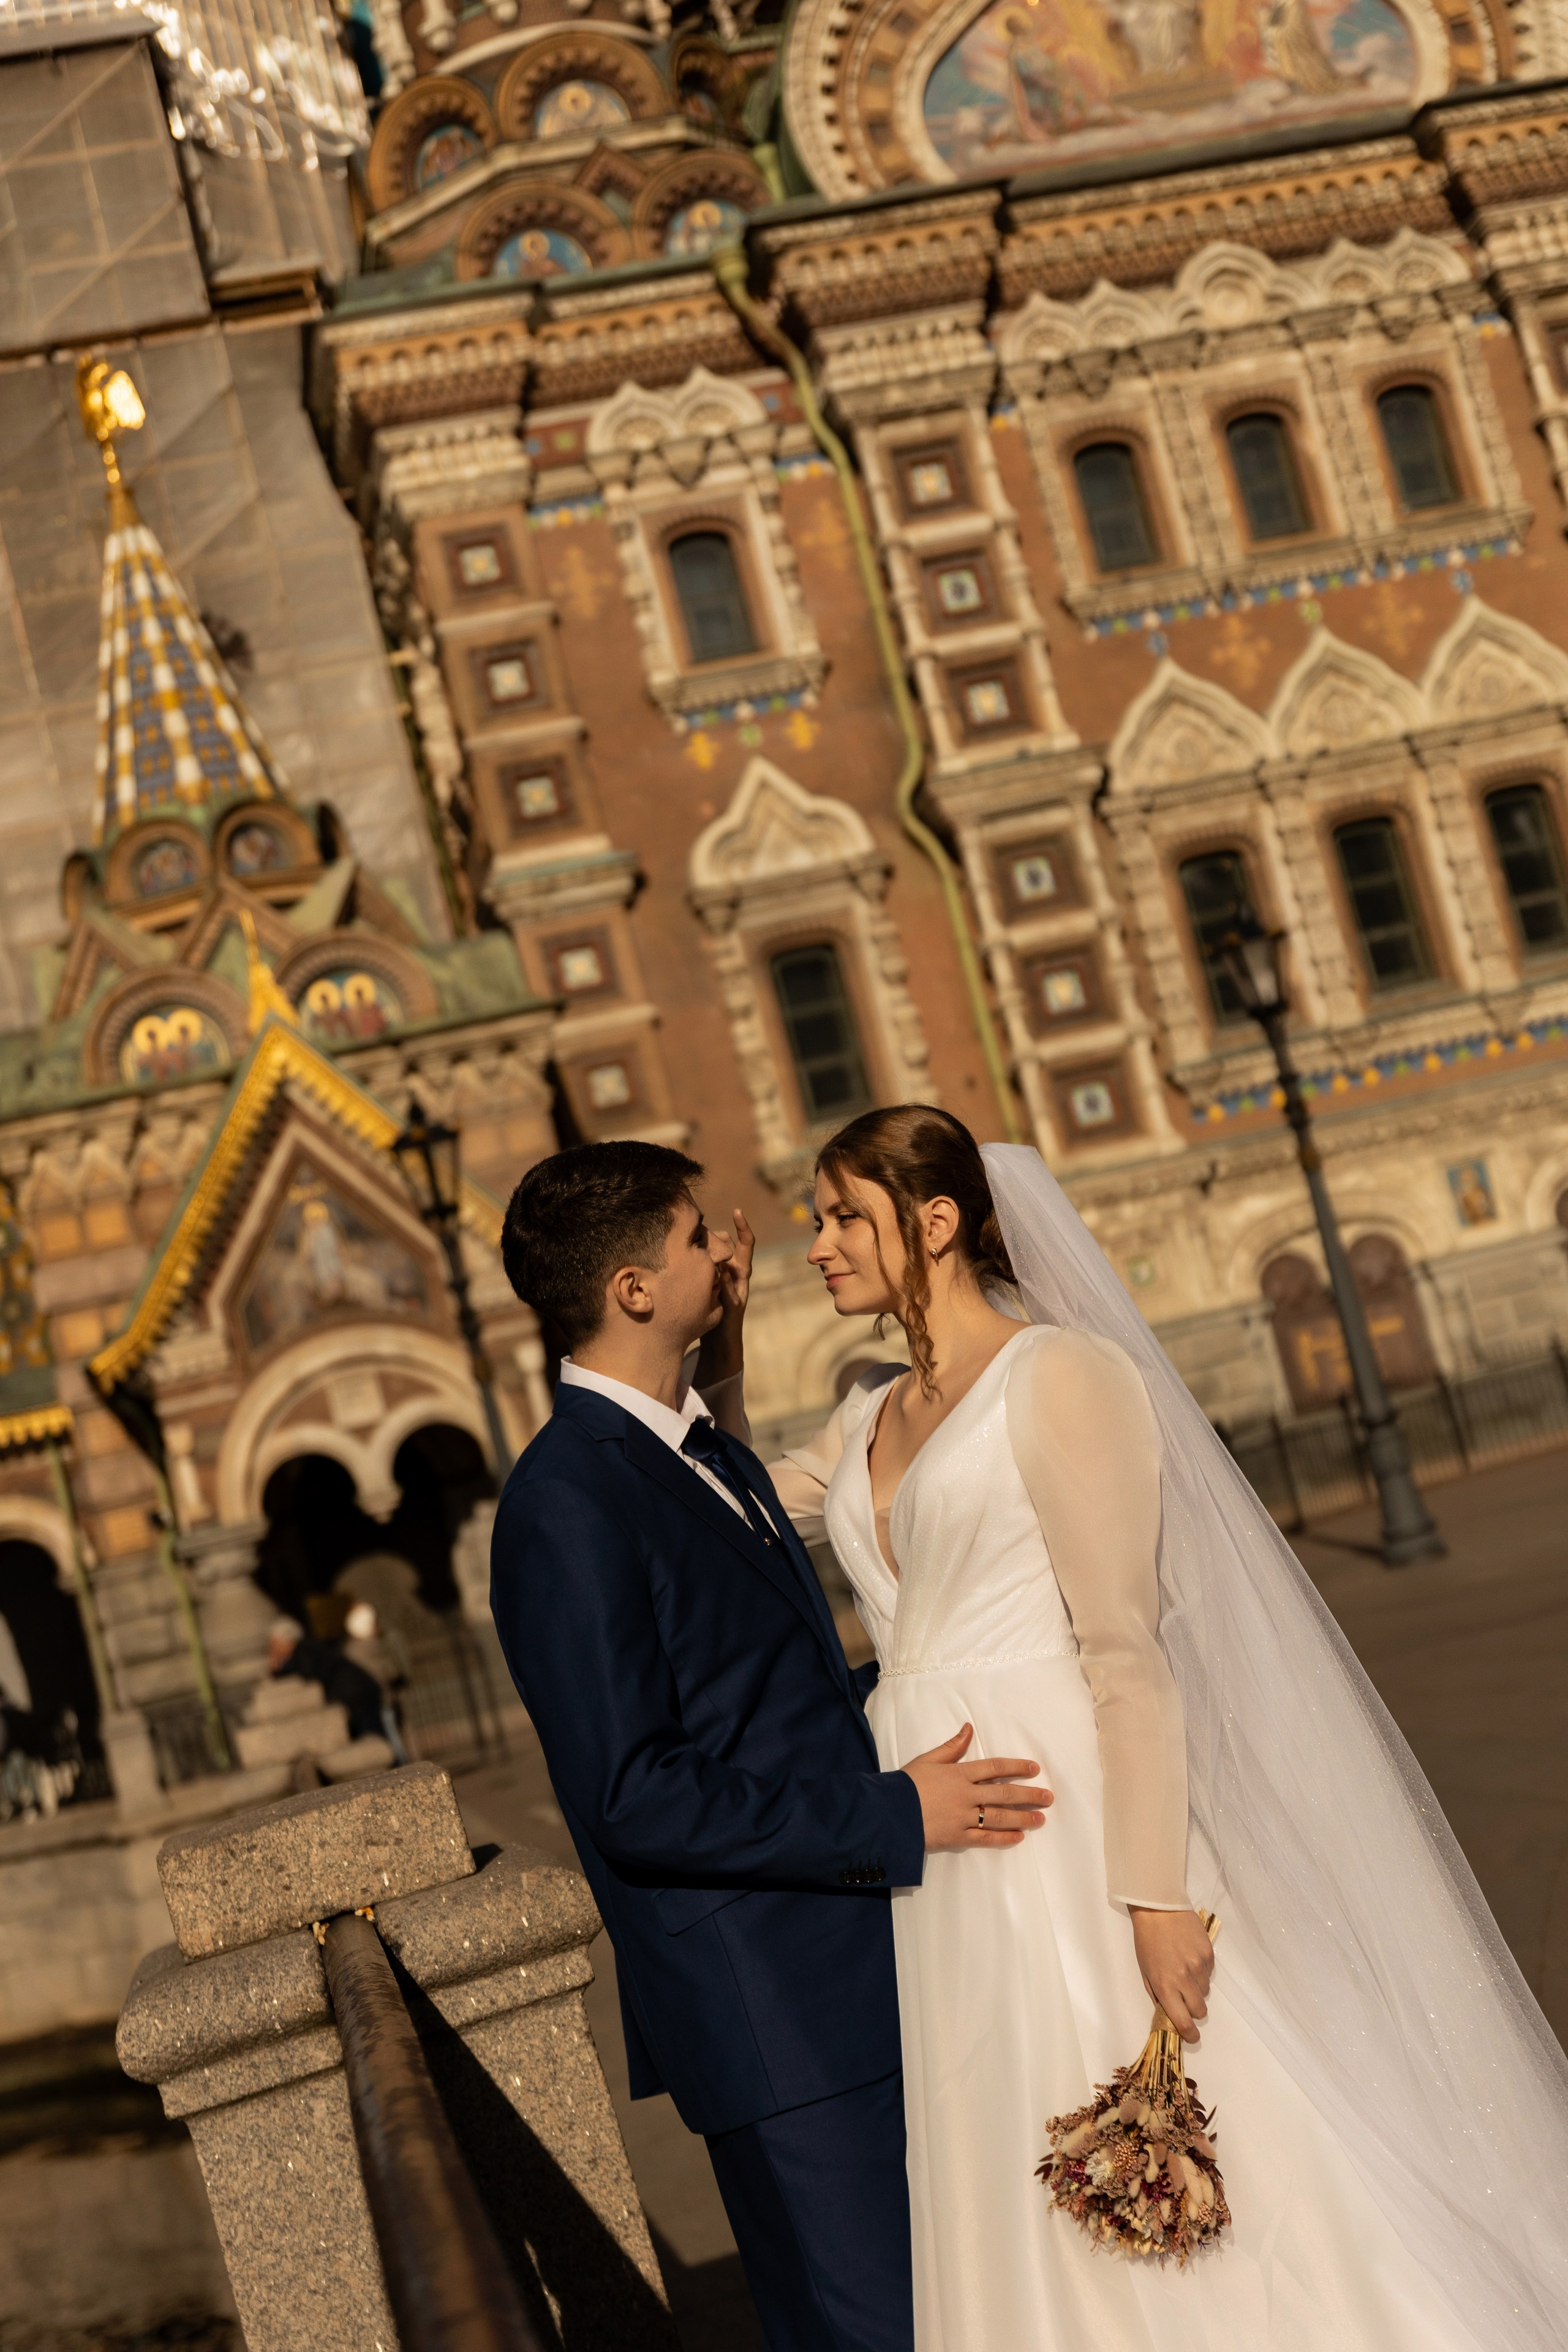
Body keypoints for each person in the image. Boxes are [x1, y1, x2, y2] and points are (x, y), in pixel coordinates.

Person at [755, 1105, 1568, 2352]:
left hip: (1069, 1814)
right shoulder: (862, 1412)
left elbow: (1124, 1654)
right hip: (938, 1844)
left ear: (934, 1223)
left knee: (1172, 2127)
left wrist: (1153, 1891)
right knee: (1001, 2136)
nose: (813, 1245)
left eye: (840, 1216)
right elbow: (736, 1508)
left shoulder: (1061, 1377)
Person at [491, 1140, 1051, 2352]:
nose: (732, 1251)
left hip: (844, 1970)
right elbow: (635, 1794)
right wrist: (897, 1816)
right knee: (873, 2329)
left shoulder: (688, 1448)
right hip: (776, 2017)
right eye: (700, 1237)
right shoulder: (563, 1503)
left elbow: (765, 1696)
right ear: (634, 1288)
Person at [268, 1615, 388, 1745]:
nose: (273, 1648)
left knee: (375, 1738)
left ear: (287, 1642)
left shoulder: (304, 1651)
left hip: (357, 1695)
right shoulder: (306, 1649)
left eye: (275, 1643)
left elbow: (307, 1676)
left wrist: (277, 1668)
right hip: (356, 1694)